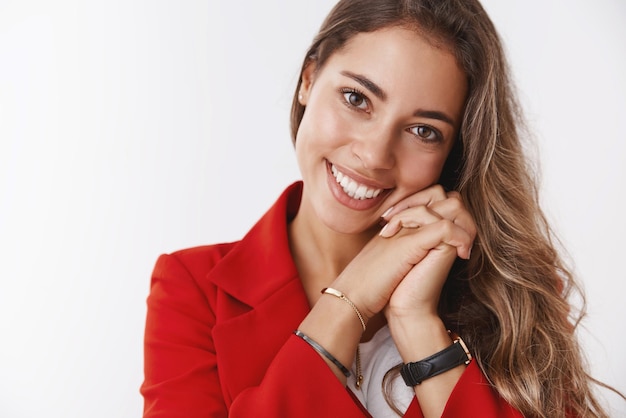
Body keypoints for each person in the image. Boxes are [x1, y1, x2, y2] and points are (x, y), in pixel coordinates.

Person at [140, 0, 623, 417]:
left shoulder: (513, 294)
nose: (373, 155)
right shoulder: (190, 288)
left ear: (455, 152)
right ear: (309, 80)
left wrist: (418, 324)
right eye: (357, 98)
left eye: (423, 131)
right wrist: (352, 295)